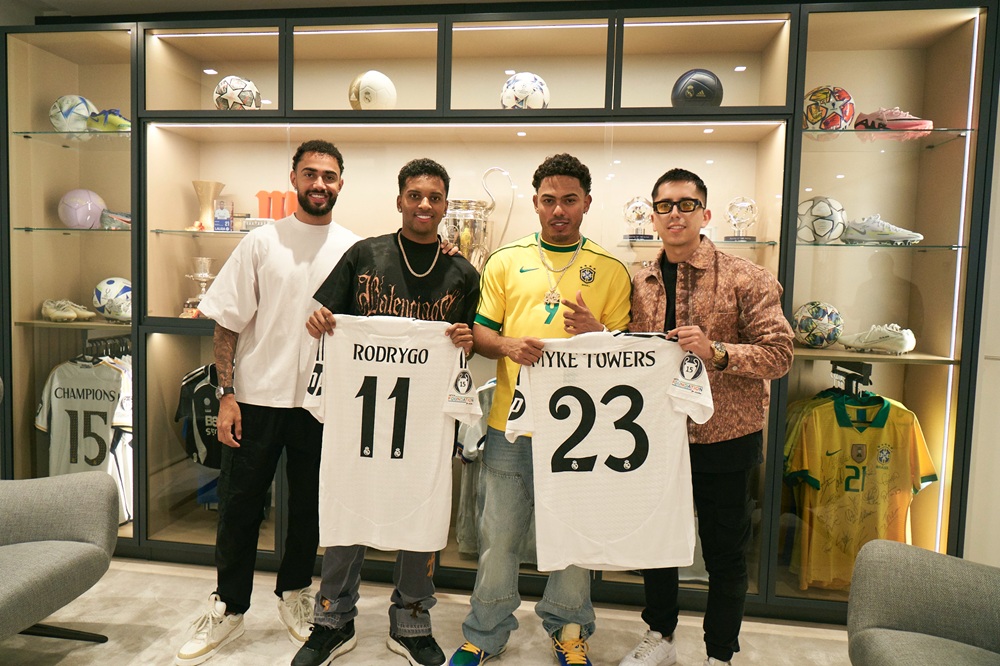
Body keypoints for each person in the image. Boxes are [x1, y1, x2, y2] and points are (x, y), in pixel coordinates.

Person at [174, 139, 362, 666]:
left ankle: (295, 593)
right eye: (310, 173)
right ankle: (229, 606)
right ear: (294, 178)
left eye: (329, 175)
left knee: (308, 510)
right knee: (238, 506)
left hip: (321, 405)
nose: (319, 183)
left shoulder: (356, 249)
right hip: (255, 398)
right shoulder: (261, 242)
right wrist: (226, 394)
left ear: (340, 184)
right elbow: (227, 324)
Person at [292, 158, 480, 666]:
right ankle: (332, 619)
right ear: (399, 200)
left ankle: (412, 619)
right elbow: (325, 319)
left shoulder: (462, 272)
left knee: (423, 508)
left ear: (445, 205)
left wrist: (467, 339)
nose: (424, 204)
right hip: (359, 416)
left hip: (425, 423)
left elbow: (474, 340)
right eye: (415, 195)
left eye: (434, 197)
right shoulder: (364, 254)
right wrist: (320, 321)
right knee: (347, 503)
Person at [450, 153, 632, 666]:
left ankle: (569, 629)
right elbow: (480, 333)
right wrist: (507, 345)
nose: (558, 210)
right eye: (549, 200)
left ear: (586, 203)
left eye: (569, 200)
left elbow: (626, 353)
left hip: (581, 430)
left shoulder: (611, 269)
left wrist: (599, 333)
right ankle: (485, 633)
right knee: (498, 537)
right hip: (510, 425)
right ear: (535, 203)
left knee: (573, 535)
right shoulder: (505, 260)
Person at [618, 168, 793, 666]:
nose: (675, 214)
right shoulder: (639, 281)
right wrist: (600, 333)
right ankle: (661, 636)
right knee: (658, 545)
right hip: (656, 436)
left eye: (686, 204)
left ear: (705, 213)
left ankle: (719, 653)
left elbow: (780, 354)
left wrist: (717, 352)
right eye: (665, 206)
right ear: (653, 217)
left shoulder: (746, 277)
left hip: (726, 437)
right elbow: (633, 353)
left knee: (724, 554)